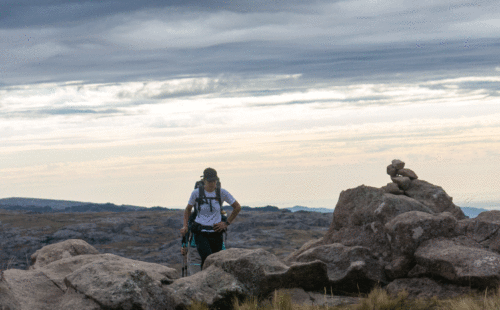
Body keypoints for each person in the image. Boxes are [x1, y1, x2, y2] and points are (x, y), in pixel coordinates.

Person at [180, 168, 241, 269]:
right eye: (210, 181)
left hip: (216, 232)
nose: (212, 183)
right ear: (204, 180)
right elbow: (187, 210)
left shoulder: (222, 193)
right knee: (208, 258)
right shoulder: (196, 193)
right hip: (201, 232)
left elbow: (237, 207)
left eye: (214, 181)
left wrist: (226, 223)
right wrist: (185, 226)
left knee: (216, 259)